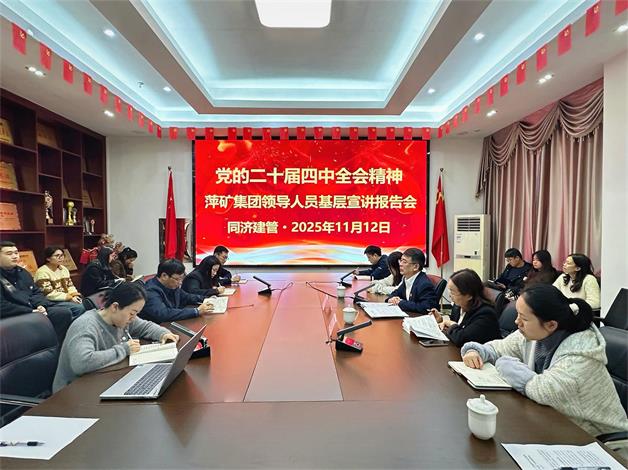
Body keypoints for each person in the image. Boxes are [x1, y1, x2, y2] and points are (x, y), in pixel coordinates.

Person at [460, 284, 628, 436]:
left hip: (600, 440)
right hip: (558, 423)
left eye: (524, 318)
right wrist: (476, 351)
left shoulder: (581, 353)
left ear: (551, 325)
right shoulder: (536, 332)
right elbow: (499, 348)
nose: (517, 322)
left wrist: (504, 364)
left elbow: (544, 390)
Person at [52, 282, 179, 392]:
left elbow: (145, 326)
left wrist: (163, 334)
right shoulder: (86, 325)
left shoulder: (122, 318)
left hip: (102, 380)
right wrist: (124, 349)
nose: (133, 318)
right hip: (72, 392)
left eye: (136, 314)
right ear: (115, 307)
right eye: (132, 313)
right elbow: (81, 363)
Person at [0, 241, 72, 344]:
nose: (15, 256)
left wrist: (40, 305)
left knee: (63, 313)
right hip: (15, 314)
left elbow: (36, 292)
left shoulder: (22, 272)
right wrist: (30, 311)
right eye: (9, 253)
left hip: (33, 308)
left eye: (16, 253)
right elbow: (2, 306)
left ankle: (56, 345)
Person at [430, 269, 500, 346]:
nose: (449, 295)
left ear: (469, 295)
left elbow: (461, 338)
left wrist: (452, 324)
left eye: (453, 292)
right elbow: (457, 329)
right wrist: (441, 321)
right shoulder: (458, 307)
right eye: (449, 291)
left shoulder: (486, 314)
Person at [140, 259, 214, 323]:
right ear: (164, 276)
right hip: (158, 328)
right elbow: (163, 314)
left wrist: (207, 299)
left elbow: (187, 297)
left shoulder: (172, 285)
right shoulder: (150, 291)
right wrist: (196, 311)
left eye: (181, 278)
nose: (180, 282)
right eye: (177, 279)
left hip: (172, 323)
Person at [34, 246, 86, 319]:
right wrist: (69, 298)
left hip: (65, 298)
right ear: (48, 258)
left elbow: (70, 286)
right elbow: (48, 294)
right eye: (57, 256)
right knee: (79, 308)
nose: (60, 258)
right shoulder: (42, 272)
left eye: (62, 255)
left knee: (86, 303)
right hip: (51, 301)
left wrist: (74, 295)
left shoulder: (64, 269)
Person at [385, 248, 438, 314]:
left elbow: (426, 308)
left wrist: (401, 303)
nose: (400, 264)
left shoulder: (424, 284)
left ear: (415, 267)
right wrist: (391, 299)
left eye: (404, 262)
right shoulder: (407, 279)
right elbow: (396, 292)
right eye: (401, 260)